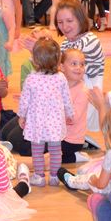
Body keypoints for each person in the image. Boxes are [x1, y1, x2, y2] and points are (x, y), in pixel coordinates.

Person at [18, 38, 74, 186]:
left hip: (37, 122)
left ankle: (39, 176)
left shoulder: (31, 79)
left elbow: (24, 100)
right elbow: (67, 98)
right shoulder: (61, 78)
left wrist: (22, 116)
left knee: (37, 150)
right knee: (56, 150)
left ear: (35, 61)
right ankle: (54, 177)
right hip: (55, 122)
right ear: (58, 60)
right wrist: (69, 114)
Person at [54, 0, 105, 133]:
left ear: (80, 19)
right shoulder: (66, 42)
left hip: (86, 101)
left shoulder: (90, 41)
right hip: (73, 95)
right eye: (60, 22)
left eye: (69, 21)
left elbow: (68, 74)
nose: (64, 26)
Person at [59, 107, 111, 192]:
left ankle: (71, 181)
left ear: (109, 131)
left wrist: (94, 180)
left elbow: (102, 184)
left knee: (90, 177)